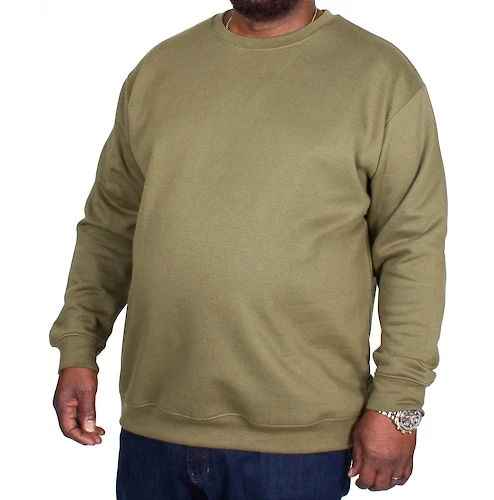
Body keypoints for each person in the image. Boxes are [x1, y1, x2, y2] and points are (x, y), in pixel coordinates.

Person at [50, 1, 447, 498]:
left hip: (301, 444)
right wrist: (78, 349)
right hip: (156, 432)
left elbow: (412, 250)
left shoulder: (381, 77)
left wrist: (398, 403)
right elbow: (109, 229)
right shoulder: (160, 70)